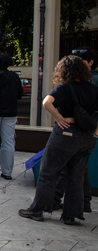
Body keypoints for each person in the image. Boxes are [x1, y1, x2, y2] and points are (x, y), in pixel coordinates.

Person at [19, 55, 98, 225]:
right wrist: (95, 131)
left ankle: (38, 209)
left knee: (49, 172)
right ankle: (71, 215)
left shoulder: (64, 88)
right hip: (87, 137)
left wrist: (59, 117)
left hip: (66, 134)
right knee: (76, 176)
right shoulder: (92, 89)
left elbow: (47, 102)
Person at [53, 47, 98, 212]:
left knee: (69, 167)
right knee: (80, 168)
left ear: (90, 63)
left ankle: (57, 199)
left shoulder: (91, 82)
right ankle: (84, 202)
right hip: (85, 131)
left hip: (82, 131)